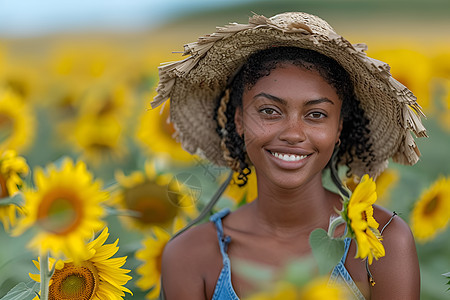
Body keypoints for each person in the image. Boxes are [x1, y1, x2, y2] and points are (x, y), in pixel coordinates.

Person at [151, 12, 426, 299]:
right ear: (239, 121)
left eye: (316, 114)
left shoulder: (382, 241)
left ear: (338, 128)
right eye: (269, 111)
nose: (293, 133)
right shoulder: (191, 255)